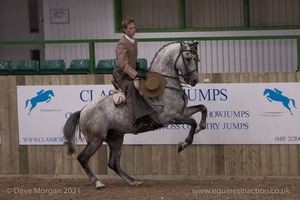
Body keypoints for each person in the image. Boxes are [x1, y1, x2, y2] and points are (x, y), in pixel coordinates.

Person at [113, 17, 155, 133]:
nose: (133, 30)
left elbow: (131, 60)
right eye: (130, 28)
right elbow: (123, 64)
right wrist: (136, 74)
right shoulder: (121, 44)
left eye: (134, 28)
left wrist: (138, 69)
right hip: (121, 74)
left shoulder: (134, 41)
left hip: (130, 70)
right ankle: (134, 124)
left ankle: (147, 115)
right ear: (124, 30)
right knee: (131, 90)